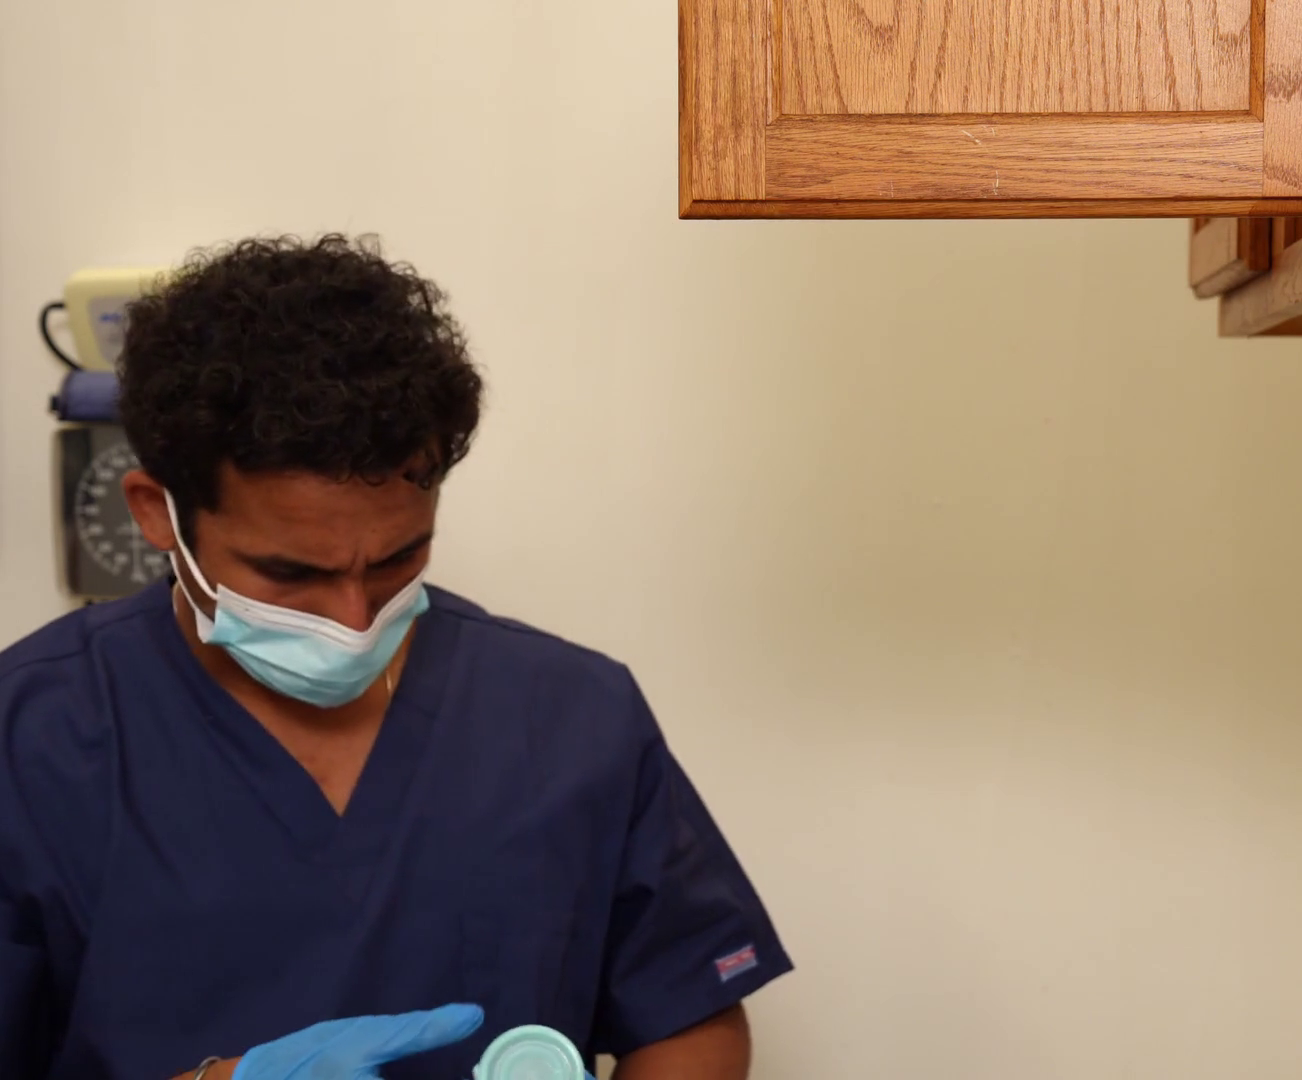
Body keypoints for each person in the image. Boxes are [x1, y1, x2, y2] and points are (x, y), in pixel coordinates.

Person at [0, 236, 792, 1080]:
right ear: (157, 512)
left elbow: (688, 1022)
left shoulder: (571, 718)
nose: (354, 617)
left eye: (396, 558)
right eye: (290, 573)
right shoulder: (33, 740)